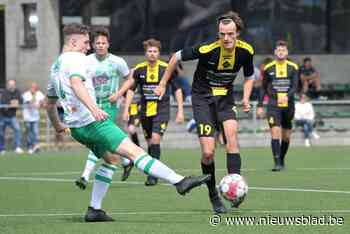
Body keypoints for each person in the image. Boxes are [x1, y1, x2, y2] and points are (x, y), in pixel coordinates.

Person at [46, 23, 210, 222]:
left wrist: (57, 125)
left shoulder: (55, 66)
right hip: (92, 122)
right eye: (86, 42)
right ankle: (180, 182)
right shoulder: (77, 59)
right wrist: (94, 108)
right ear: (73, 41)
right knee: (136, 152)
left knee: (111, 160)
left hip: (76, 127)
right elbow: (76, 83)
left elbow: (49, 103)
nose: (88, 47)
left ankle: (94, 210)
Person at [154, 11, 255, 213]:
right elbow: (175, 57)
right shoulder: (208, 49)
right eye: (222, 34)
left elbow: (250, 76)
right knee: (208, 153)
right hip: (203, 99)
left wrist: (245, 97)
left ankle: (235, 189)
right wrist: (163, 83)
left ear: (238, 33)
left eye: (230, 34)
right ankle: (213, 195)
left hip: (225, 99)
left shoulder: (246, 51)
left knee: (231, 139)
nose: (226, 38)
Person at [116, 38, 185, 186]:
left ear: (159, 53)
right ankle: (152, 170)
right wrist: (126, 109)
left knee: (155, 139)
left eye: (155, 51)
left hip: (162, 109)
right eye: (149, 51)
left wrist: (180, 111)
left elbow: (177, 89)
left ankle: (153, 177)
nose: (152, 54)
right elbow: (131, 90)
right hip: (145, 111)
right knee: (149, 142)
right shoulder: (140, 69)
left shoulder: (166, 68)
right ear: (145, 53)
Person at [75, 26, 133, 190]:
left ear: (108, 44)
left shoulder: (117, 61)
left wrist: (119, 93)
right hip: (91, 105)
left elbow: (130, 79)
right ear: (92, 45)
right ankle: (127, 160)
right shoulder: (86, 61)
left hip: (109, 105)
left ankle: (85, 175)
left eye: (103, 43)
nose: (100, 45)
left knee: (99, 138)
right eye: (97, 43)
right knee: (102, 139)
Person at [257, 40, 299, 172]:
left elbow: (295, 86)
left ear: (287, 52)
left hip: (288, 104)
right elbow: (263, 88)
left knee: (286, 136)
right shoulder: (268, 68)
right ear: (275, 52)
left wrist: (288, 95)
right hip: (273, 104)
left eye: (283, 50)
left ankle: (281, 159)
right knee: (275, 132)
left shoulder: (294, 67)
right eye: (279, 50)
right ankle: (277, 163)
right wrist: (259, 105)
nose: (281, 52)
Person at [0, 79, 24, 154]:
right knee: (1, 132)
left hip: (12, 116)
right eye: (10, 84)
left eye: (13, 84)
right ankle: (1, 148)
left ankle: (17, 147)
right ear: (8, 85)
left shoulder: (17, 92)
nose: (11, 86)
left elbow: (20, 101)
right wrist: (12, 102)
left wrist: (14, 103)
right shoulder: (4, 92)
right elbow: (4, 102)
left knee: (17, 130)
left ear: (15, 85)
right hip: (3, 116)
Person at [22, 82, 45, 154]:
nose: (33, 89)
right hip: (27, 117)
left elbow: (43, 102)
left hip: (35, 117)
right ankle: (29, 146)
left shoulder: (39, 94)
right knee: (29, 132)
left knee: (35, 132)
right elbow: (29, 103)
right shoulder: (26, 94)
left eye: (35, 87)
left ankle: (35, 146)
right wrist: (35, 100)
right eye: (32, 87)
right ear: (30, 88)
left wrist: (41, 103)